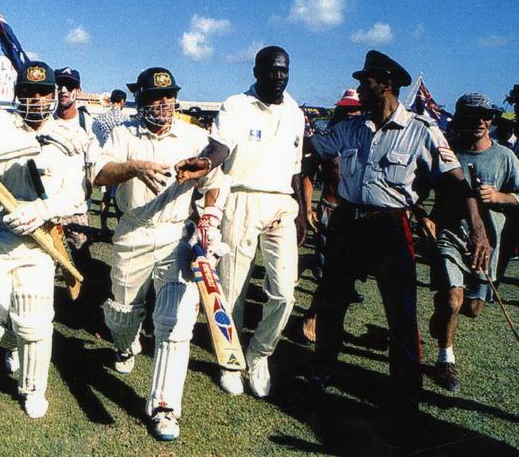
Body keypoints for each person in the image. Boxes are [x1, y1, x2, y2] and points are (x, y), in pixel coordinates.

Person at [308, 50, 491, 413]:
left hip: (390, 228)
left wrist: (477, 227)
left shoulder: (422, 131)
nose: (359, 88)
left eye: (366, 81)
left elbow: (456, 182)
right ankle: (322, 367)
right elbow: (310, 149)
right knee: (330, 303)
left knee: (401, 312)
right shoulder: (349, 127)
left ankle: (406, 389)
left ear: (386, 85)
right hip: (347, 223)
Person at [93, 67, 226, 441]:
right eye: (153, 98)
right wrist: (133, 167)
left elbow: (215, 183)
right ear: (140, 100)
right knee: (122, 317)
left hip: (176, 236)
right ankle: (124, 346)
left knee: (174, 322)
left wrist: (210, 221)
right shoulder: (123, 133)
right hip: (133, 230)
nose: (162, 104)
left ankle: (165, 407)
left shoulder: (195, 137)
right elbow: (100, 174)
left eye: (167, 97)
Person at [0, 61, 87, 419]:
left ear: (54, 94)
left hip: (37, 241)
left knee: (34, 321)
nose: (36, 98)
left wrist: (41, 211)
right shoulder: (1, 121)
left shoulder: (70, 136)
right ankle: (12, 339)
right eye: (28, 92)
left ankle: (33, 389)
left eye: (43, 91)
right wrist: (38, 139)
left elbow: (76, 197)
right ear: (17, 94)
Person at [187, 46, 306, 398]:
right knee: (231, 290)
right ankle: (230, 361)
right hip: (240, 196)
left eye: (284, 70)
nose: (280, 77)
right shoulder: (236, 105)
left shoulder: (296, 111)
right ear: (256, 72)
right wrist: (205, 164)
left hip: (281, 203)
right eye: (272, 71)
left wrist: (300, 211)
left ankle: (259, 355)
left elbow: (296, 170)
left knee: (284, 292)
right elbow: (220, 148)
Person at [427, 93, 519, 392]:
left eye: (487, 115)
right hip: (451, 238)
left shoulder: (505, 157)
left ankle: (443, 316)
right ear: (461, 118)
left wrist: (500, 197)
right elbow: (423, 188)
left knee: (472, 308)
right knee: (453, 298)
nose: (481, 121)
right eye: (473, 115)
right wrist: (426, 217)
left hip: (489, 244)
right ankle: (445, 360)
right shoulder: (447, 153)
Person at [301, 89, 364, 342]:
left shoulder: (368, 138)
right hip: (330, 210)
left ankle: (329, 317)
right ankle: (313, 315)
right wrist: (307, 209)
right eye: (348, 109)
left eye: (357, 109)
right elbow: (307, 175)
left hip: (359, 215)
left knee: (347, 274)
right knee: (329, 272)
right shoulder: (328, 140)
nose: (353, 113)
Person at [53, 66, 99, 257]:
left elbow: (94, 161)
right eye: (59, 85)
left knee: (81, 263)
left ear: (77, 91)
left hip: (76, 208)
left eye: (69, 85)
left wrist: (90, 180)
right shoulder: (46, 121)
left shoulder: (87, 123)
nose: (63, 90)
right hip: (49, 207)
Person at [93, 89, 128, 235]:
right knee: (120, 197)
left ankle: (103, 226)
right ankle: (120, 228)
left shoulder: (101, 118)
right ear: (122, 101)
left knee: (106, 196)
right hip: (119, 159)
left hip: (105, 159)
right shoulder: (124, 118)